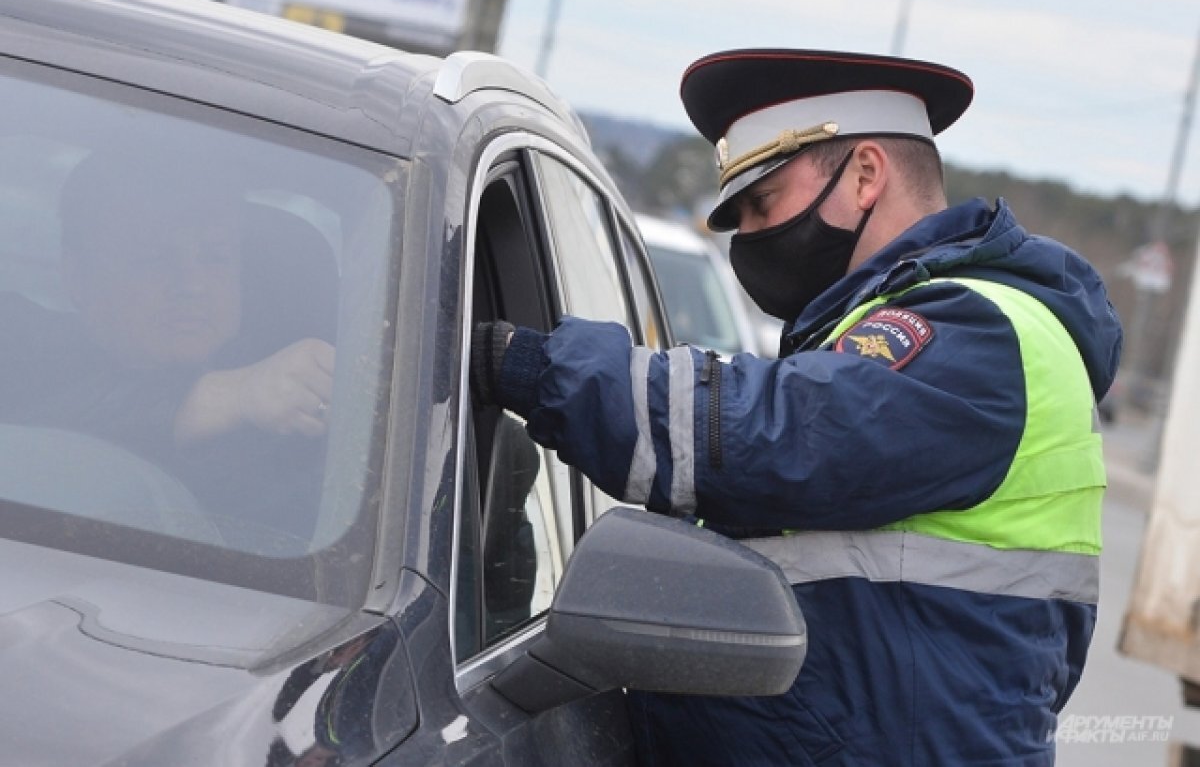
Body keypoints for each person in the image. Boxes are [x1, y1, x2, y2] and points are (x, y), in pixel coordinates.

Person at [470, 49, 1122, 765]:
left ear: (866, 176)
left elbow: (777, 432)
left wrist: (530, 366)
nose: (749, 238)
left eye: (763, 204)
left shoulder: (985, 333)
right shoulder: (875, 325)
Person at [0, 146, 337, 537]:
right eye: (153, 259)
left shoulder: (307, 403)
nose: (192, 285)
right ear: (77, 276)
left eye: (216, 258)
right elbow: (57, 410)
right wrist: (236, 395)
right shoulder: (22, 351)